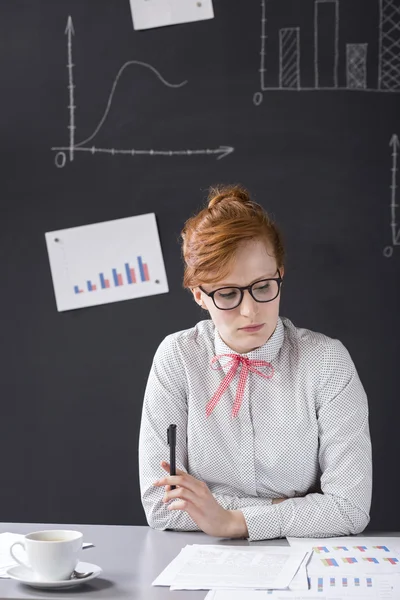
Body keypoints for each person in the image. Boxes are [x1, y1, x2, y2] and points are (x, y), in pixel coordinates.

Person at [138, 185, 372, 541]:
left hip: (303, 556)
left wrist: (231, 521)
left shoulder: (327, 361)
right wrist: (294, 507)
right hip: (199, 554)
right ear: (200, 294)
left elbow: (350, 508)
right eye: (228, 293)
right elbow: (160, 505)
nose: (250, 311)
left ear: (280, 273)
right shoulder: (177, 357)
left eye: (263, 287)